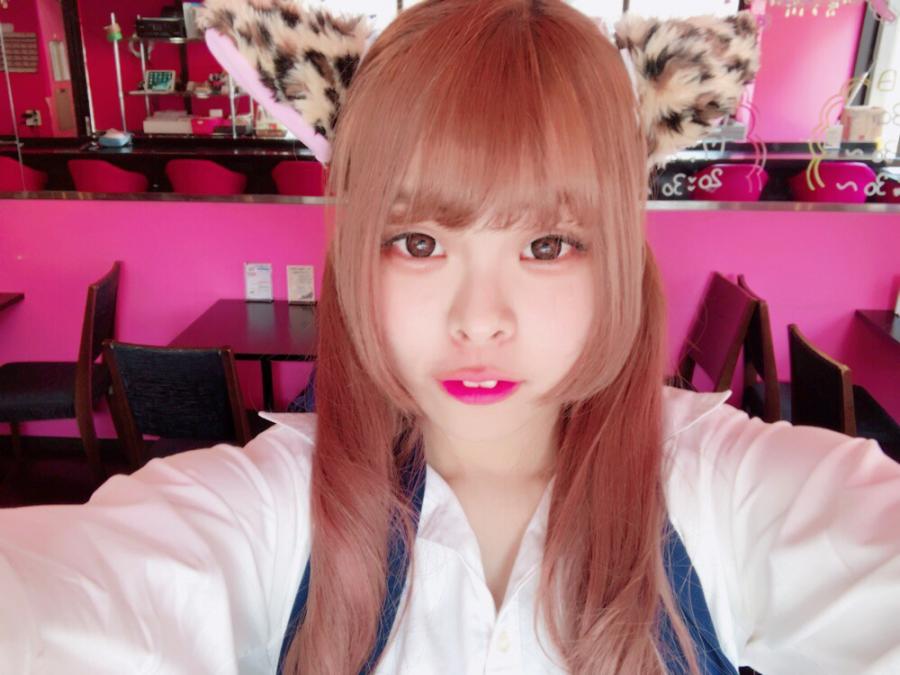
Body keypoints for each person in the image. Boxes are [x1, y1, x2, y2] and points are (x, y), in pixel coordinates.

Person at [2, 1, 899, 674]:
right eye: (419, 242)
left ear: (619, 262)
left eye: (548, 245)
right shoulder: (270, 513)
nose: (479, 317)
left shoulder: (719, 490)